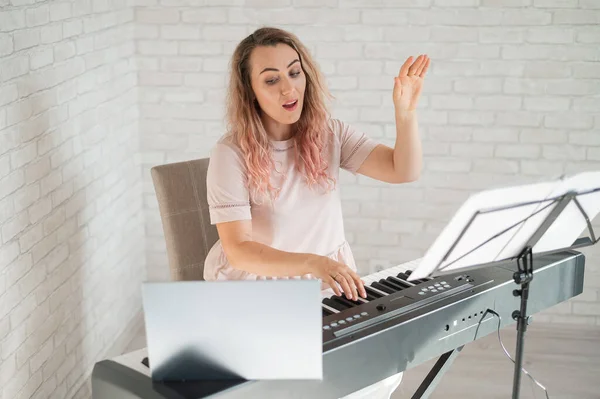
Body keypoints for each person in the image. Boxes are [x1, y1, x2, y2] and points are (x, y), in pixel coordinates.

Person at [204, 26, 429, 399]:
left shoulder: (331, 133)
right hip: (258, 291)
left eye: (294, 72)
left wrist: (405, 115)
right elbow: (239, 249)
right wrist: (315, 263)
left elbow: (402, 170)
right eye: (271, 80)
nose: (289, 89)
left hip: (325, 286)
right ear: (250, 92)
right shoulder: (230, 154)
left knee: (379, 374)